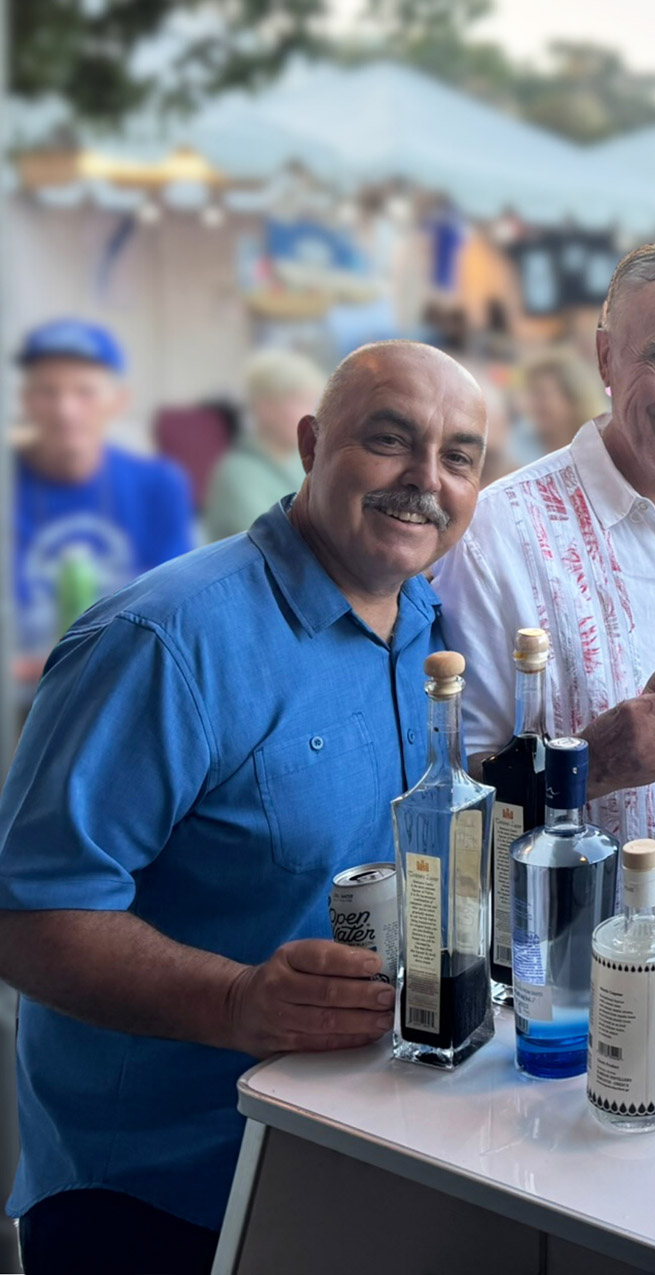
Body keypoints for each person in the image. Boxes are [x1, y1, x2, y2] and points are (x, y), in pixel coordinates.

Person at [0, 340, 487, 1273]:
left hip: (340, 1148)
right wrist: (236, 1001)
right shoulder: (164, 639)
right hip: (154, 1193)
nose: (424, 480)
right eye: (389, 440)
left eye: (458, 457)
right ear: (310, 444)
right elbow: (28, 914)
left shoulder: (419, 617)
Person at [433, 244, 655, 908]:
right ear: (605, 358)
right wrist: (590, 766)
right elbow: (445, 799)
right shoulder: (495, 536)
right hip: (576, 967)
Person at [12, 319, 195, 659]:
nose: (65, 411)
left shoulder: (158, 485)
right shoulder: (8, 484)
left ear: (118, 400)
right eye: (47, 392)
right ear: (25, 400)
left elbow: (177, 611)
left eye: (85, 392)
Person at [201, 348, 325, 542]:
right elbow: (277, 545)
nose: (313, 414)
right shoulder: (238, 475)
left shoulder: (305, 463)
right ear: (266, 408)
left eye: (314, 402)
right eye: (301, 401)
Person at [517, 345, 605, 458]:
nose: (532, 404)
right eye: (531, 394)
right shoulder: (520, 443)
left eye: (541, 395)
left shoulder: (600, 444)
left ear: (573, 398)